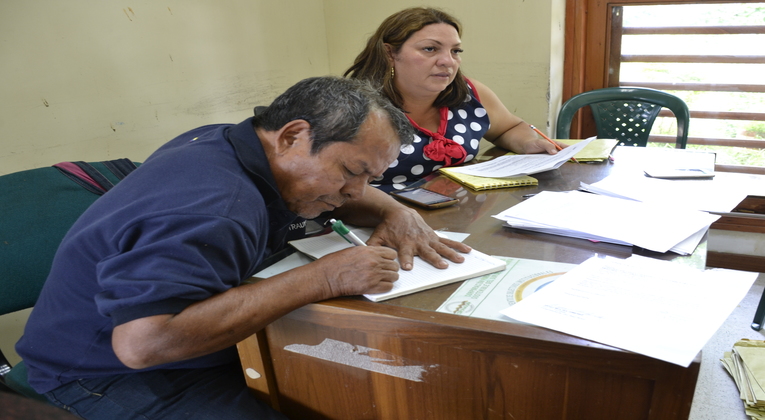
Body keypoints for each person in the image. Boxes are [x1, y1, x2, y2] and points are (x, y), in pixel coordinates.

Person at [15, 76, 471, 420]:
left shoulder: (239, 141)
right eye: (351, 171)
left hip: (183, 346)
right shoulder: (215, 208)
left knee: (351, 385)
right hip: (100, 373)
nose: (356, 191)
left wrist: (397, 211)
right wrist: (325, 276)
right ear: (292, 136)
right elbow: (143, 344)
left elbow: (350, 189)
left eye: (369, 177)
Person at [344, 7, 559, 192]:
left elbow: (509, 127)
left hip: (457, 214)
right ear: (389, 54)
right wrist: (394, 213)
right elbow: (334, 185)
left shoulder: (469, 92)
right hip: (377, 221)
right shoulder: (354, 107)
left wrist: (528, 142)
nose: (448, 61)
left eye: (455, 51)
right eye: (430, 49)